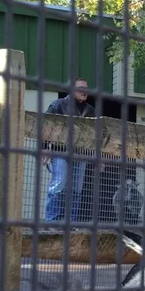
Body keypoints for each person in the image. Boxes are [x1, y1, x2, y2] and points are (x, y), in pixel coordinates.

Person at [43, 78, 96, 222]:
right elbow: (46, 126)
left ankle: (70, 223)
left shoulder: (91, 111)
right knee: (59, 186)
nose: (84, 91)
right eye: (81, 88)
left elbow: (96, 136)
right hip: (61, 152)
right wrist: (44, 148)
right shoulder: (58, 105)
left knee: (76, 190)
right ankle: (51, 222)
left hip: (81, 155)